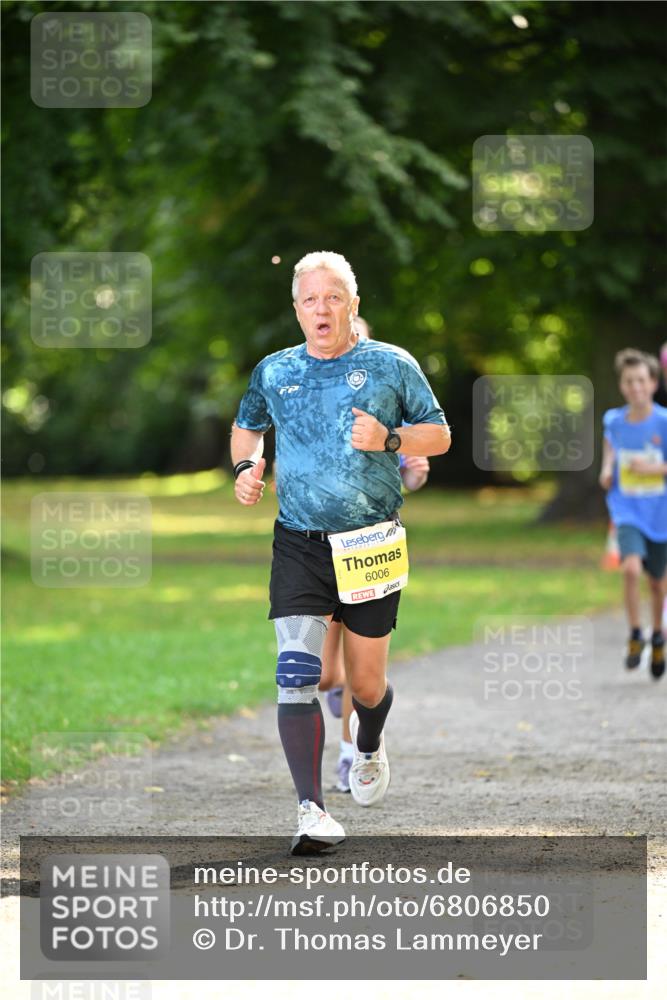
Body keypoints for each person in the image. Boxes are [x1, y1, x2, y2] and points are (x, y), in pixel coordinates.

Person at [231, 251, 450, 853]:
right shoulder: (276, 371)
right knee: (297, 675)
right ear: (296, 309)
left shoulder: (391, 364)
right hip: (299, 543)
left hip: (371, 544)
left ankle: (369, 743)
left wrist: (390, 438)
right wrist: (247, 467)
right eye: (310, 299)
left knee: (367, 685)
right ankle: (311, 811)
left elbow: (440, 433)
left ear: (354, 303)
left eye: (333, 297)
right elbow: (247, 427)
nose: (321, 309)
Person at [319, 316, 431, 793]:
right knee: (323, 674)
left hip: (369, 547)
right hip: (316, 547)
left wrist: (415, 469)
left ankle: (352, 754)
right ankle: (341, 696)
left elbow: (414, 468)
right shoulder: (314, 402)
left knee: (360, 670)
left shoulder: (387, 406)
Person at [599, 348, 667, 679]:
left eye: (641, 380)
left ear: (653, 383)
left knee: (657, 583)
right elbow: (610, 452)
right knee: (630, 569)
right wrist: (606, 470)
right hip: (626, 510)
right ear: (622, 385)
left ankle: (658, 635)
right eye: (629, 381)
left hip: (660, 514)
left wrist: (652, 468)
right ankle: (636, 633)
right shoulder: (613, 420)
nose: (635, 387)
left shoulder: (664, 422)